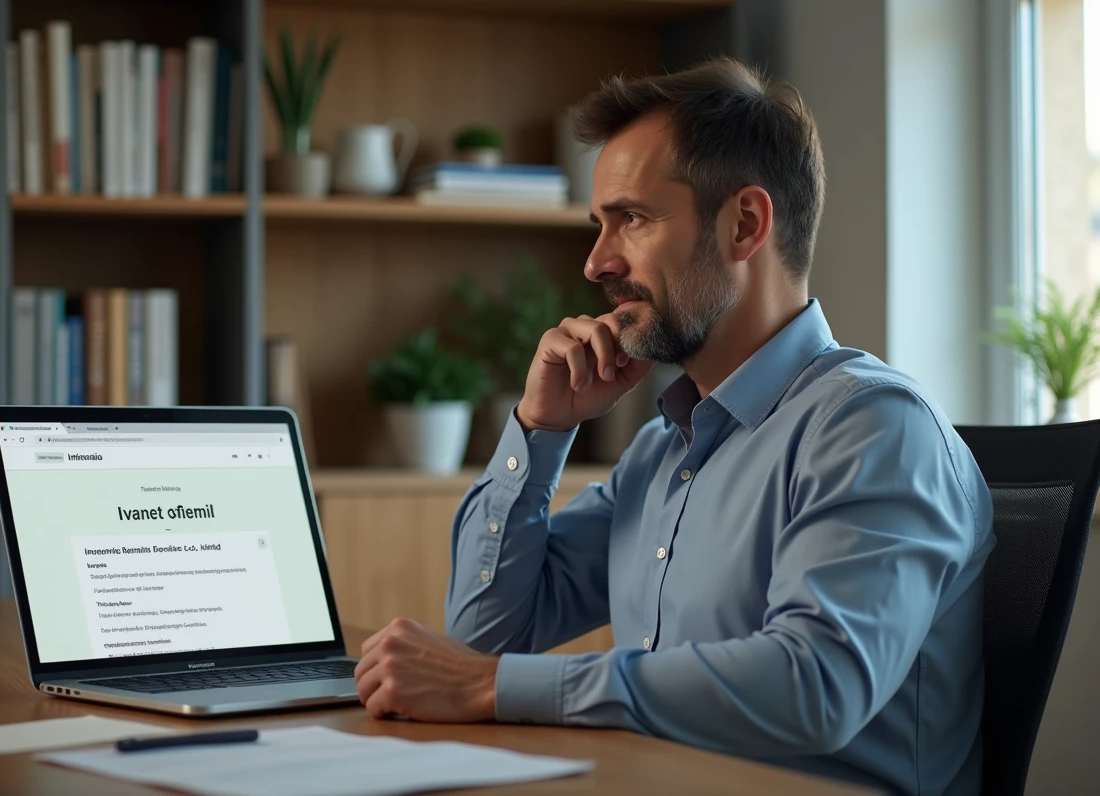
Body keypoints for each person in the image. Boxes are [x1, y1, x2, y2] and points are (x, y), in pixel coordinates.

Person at [352, 57, 994, 796]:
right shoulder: (664, 448)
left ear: (745, 223)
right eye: (599, 224)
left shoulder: (874, 428)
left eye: (633, 218)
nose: (595, 262)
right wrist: (538, 430)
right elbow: (482, 640)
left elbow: (817, 684)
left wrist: (499, 686)